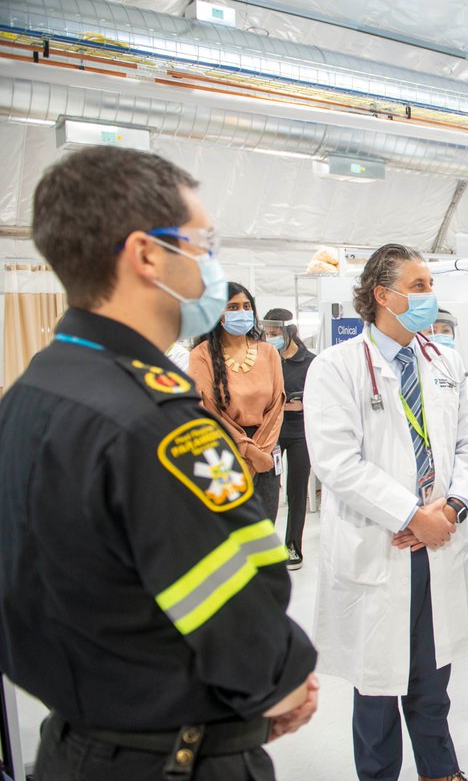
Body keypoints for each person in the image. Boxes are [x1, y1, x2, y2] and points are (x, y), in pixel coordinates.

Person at [0, 146, 318, 781]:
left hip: (70, 744)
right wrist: (280, 680)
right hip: (173, 757)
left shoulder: (32, 392)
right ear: (147, 254)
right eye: (202, 242)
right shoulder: (154, 420)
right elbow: (234, 597)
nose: (212, 265)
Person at [304, 243, 468, 781]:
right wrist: (413, 515)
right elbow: (338, 463)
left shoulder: (445, 362)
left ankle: (441, 771)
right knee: (378, 690)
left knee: (432, 681)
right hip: (380, 545)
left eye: (430, 285)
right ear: (382, 296)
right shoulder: (335, 368)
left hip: (437, 542)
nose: (430, 296)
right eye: (419, 286)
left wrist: (451, 511)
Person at [189, 283, 285, 525]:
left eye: (246, 306)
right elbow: (207, 409)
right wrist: (247, 451)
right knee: (229, 535)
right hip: (224, 450)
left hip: (267, 448)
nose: (241, 312)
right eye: (233, 307)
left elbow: (277, 405)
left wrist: (261, 453)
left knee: (264, 534)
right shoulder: (201, 355)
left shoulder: (269, 353)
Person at [263, 308, 316, 569]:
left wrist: (303, 404)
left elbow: (322, 398)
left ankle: (293, 546)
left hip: (299, 435)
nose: (270, 337)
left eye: (275, 333)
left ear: (289, 331)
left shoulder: (311, 362)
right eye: (267, 333)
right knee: (268, 493)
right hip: (270, 435)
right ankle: (263, 550)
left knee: (297, 492)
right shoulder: (264, 359)